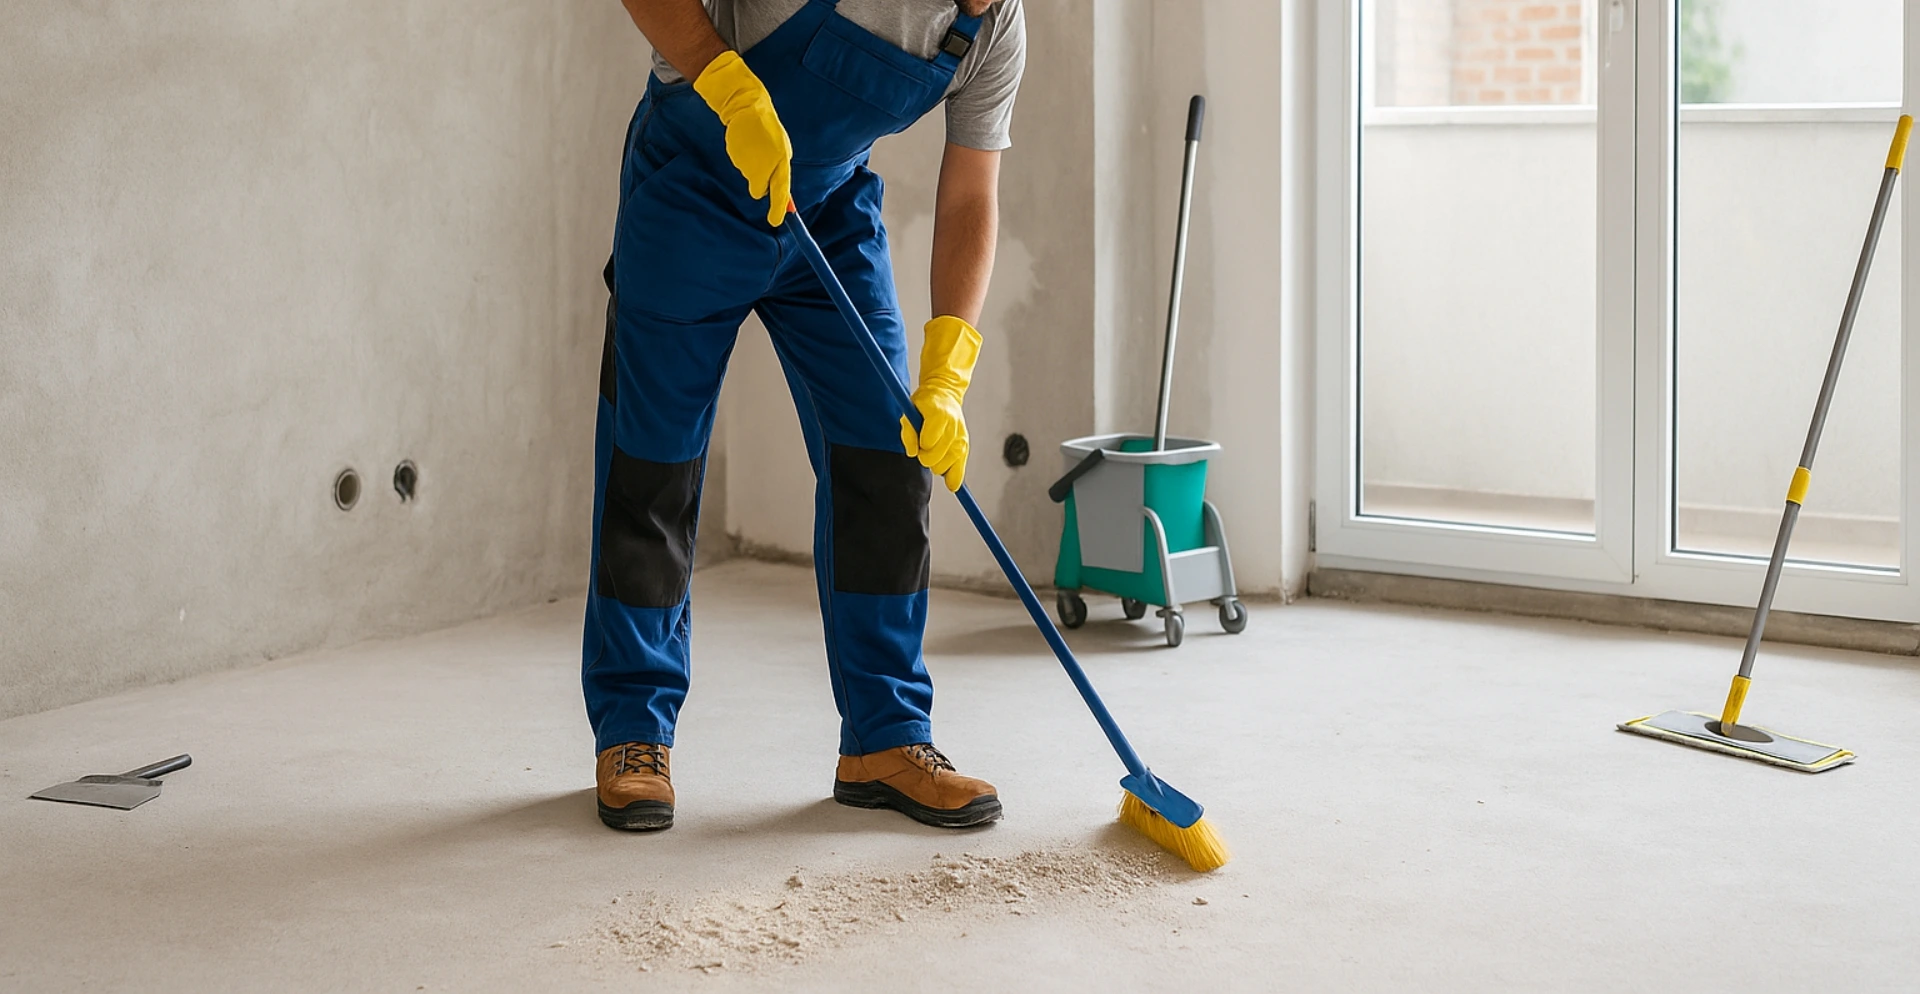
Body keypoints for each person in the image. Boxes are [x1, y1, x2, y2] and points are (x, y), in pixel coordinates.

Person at [584, 0, 1027, 833]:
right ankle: (634, 732)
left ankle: (885, 738)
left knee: (887, 456)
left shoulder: (994, 30)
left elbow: (972, 194)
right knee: (653, 466)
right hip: (692, 191)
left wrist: (948, 372)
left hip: (826, 208)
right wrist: (727, 82)